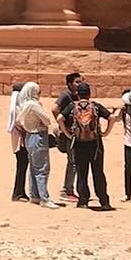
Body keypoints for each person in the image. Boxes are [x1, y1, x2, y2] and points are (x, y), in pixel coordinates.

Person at [62, 80, 113, 210]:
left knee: (82, 172)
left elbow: (59, 118)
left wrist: (68, 134)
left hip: (79, 144)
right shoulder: (95, 106)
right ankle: (104, 201)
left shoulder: (72, 106)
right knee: (98, 172)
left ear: (77, 94)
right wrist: (105, 132)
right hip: (95, 144)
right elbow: (111, 117)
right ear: (89, 94)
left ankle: (83, 201)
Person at [14, 82, 62, 207]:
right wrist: (39, 124)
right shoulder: (33, 105)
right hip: (38, 137)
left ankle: (35, 195)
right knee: (42, 168)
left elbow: (18, 120)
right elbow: (47, 120)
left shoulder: (25, 104)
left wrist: (27, 126)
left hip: (29, 136)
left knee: (34, 168)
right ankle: (44, 198)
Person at [54, 71, 83, 199]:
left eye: (81, 81)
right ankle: (67, 190)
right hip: (68, 134)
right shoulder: (65, 95)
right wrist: (63, 127)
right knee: (73, 162)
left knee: (74, 161)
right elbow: (54, 109)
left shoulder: (77, 95)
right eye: (77, 82)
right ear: (70, 84)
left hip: (75, 133)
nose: (79, 84)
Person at [7, 82, 28, 202]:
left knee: (22, 167)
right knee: (22, 166)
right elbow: (19, 124)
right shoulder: (17, 108)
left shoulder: (15, 107)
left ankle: (20, 191)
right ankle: (17, 192)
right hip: (21, 141)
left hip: (18, 140)